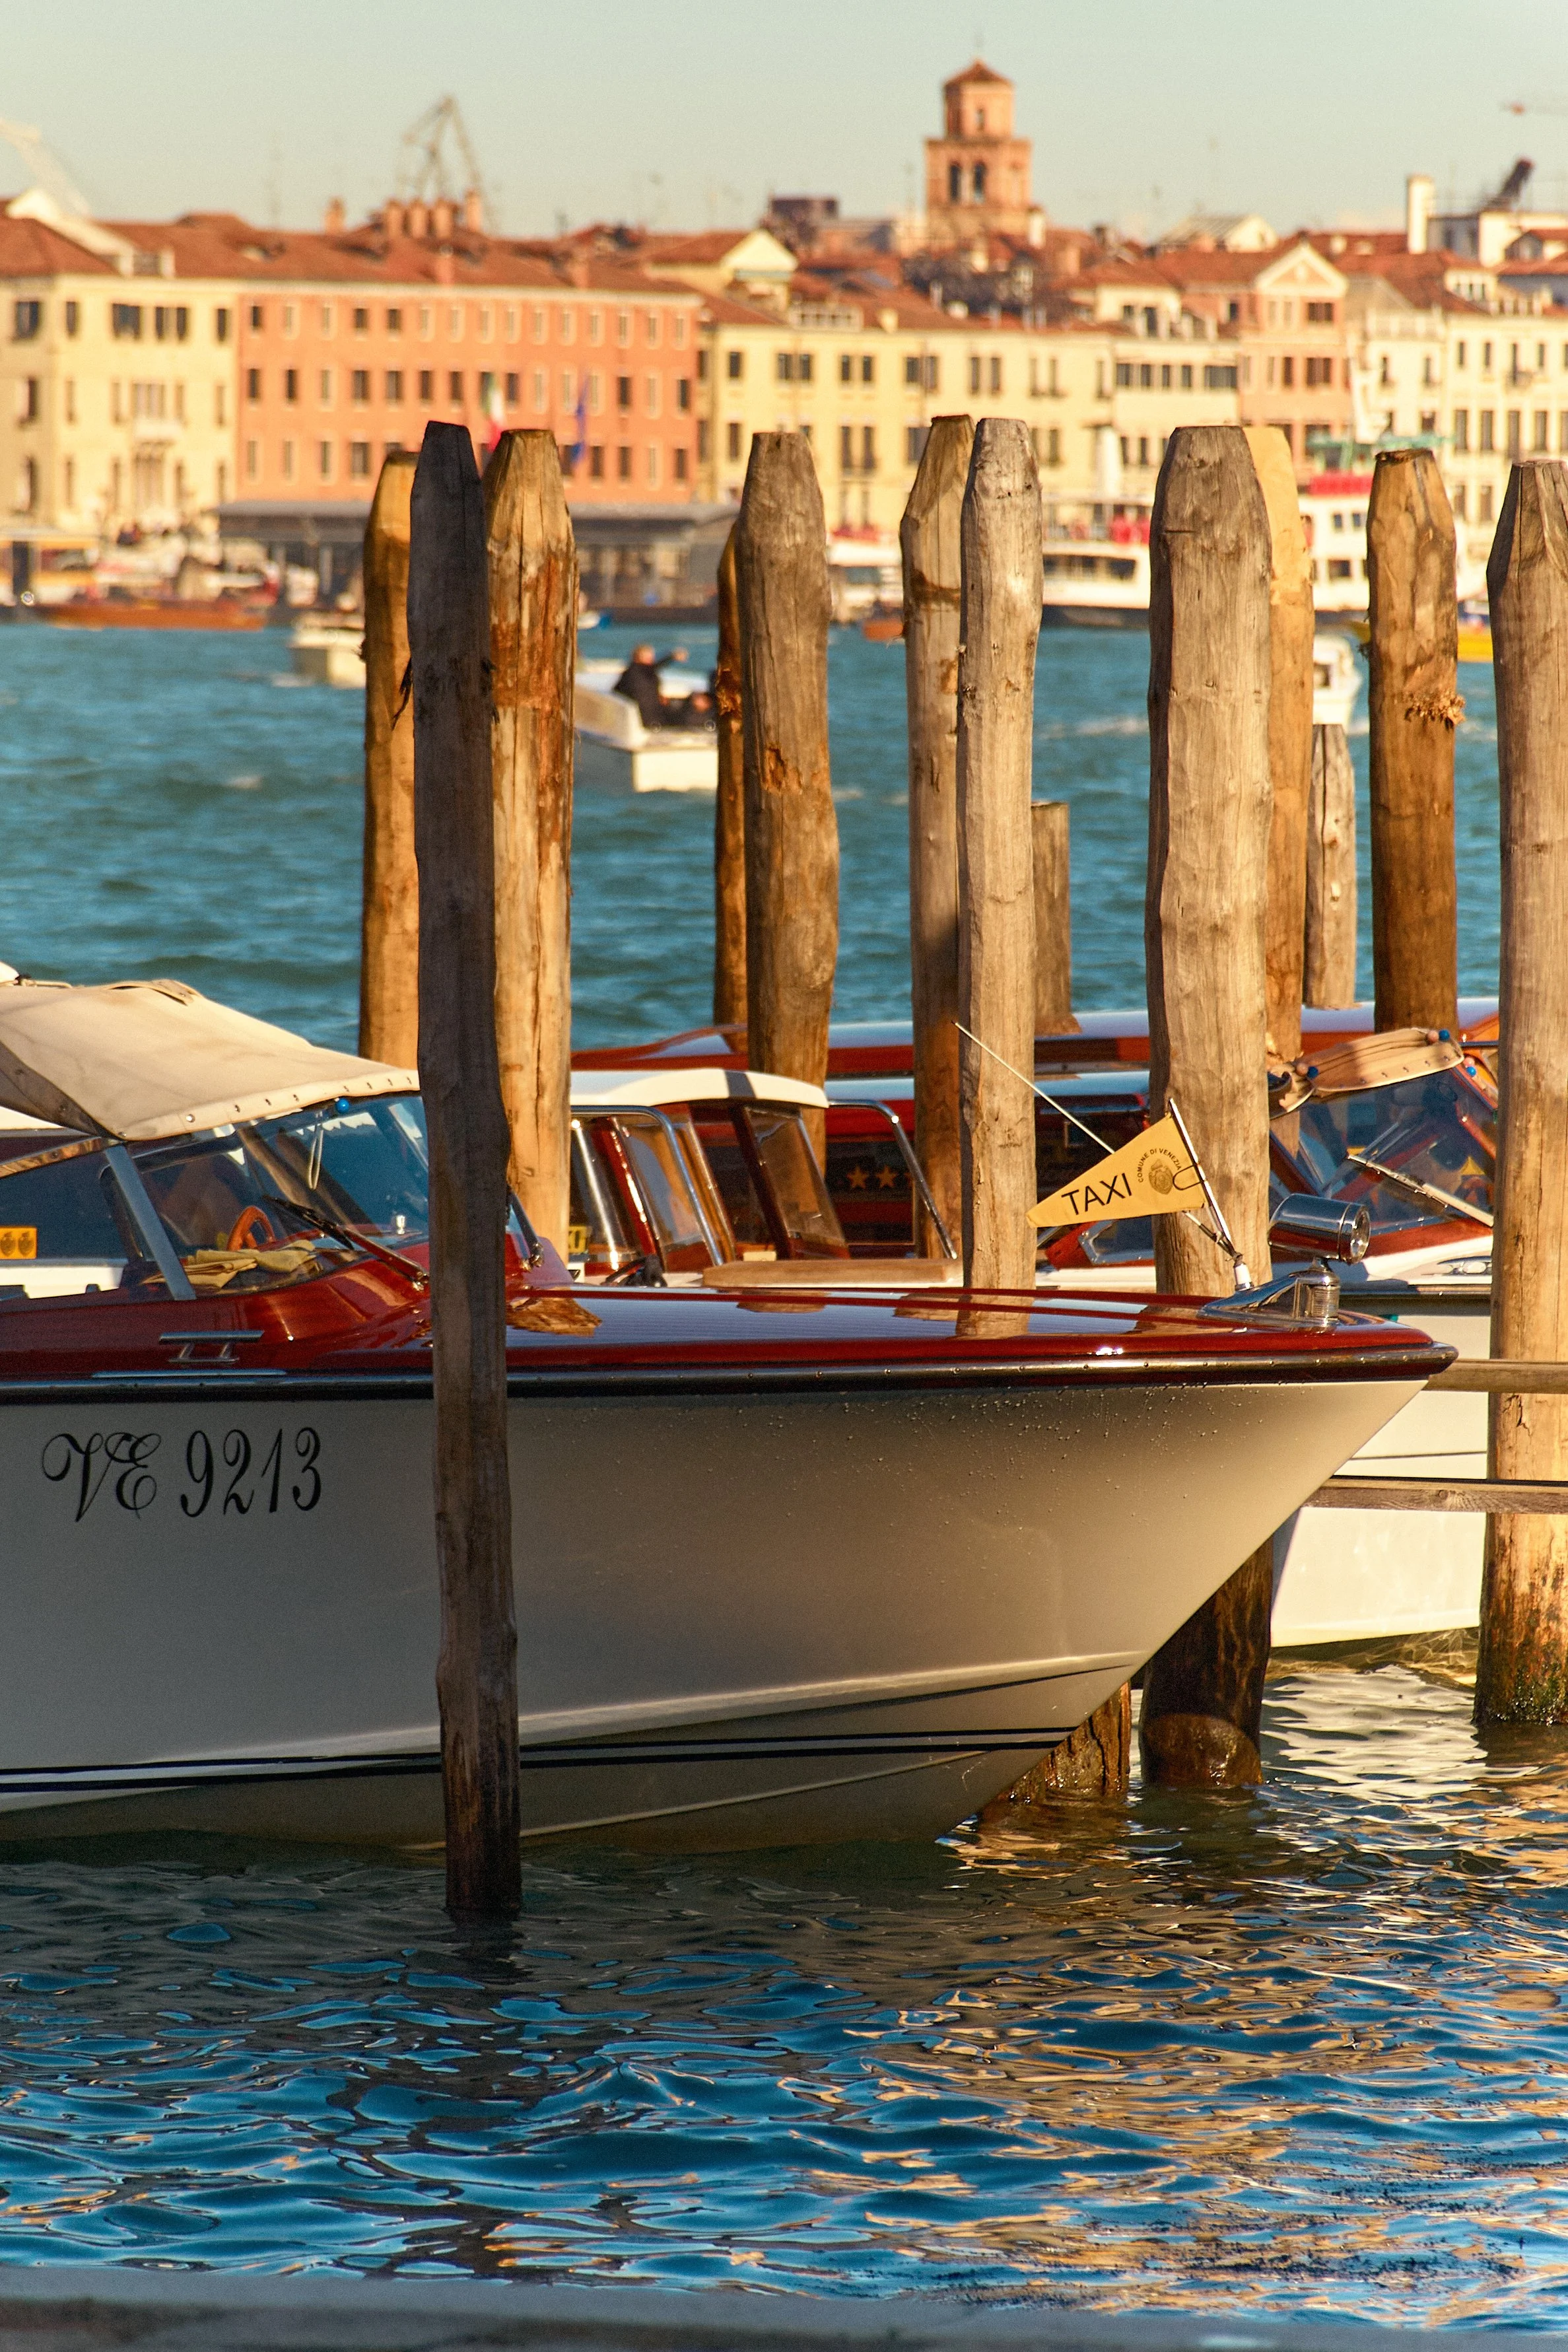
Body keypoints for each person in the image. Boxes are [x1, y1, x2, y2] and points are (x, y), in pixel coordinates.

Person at [611, 644, 689, 729]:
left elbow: (617, 690)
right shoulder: (636, 671)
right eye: (647, 657)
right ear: (637, 657)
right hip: (645, 713)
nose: (651, 659)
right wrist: (672, 657)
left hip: (651, 709)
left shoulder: (634, 672)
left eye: (651, 657)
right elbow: (618, 692)